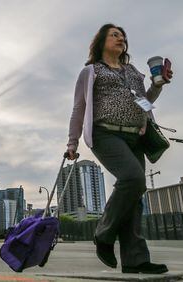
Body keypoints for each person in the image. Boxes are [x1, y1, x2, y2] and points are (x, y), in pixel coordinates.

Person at [66, 23, 173, 274]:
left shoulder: (132, 72)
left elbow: (143, 102)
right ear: (101, 41)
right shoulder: (91, 71)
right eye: (114, 35)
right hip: (105, 134)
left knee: (135, 196)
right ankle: (103, 234)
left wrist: (158, 85)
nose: (120, 39)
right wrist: (72, 142)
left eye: (123, 36)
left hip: (136, 136)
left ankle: (135, 259)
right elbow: (78, 108)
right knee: (133, 179)